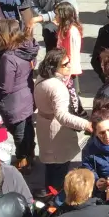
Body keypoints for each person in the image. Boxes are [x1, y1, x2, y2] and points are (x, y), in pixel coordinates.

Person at [34, 49, 91, 195]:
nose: (69, 66)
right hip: (56, 135)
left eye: (69, 62)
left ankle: (49, 194)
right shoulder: (57, 87)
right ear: (54, 67)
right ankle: (55, 199)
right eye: (65, 64)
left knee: (51, 167)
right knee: (59, 170)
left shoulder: (43, 76)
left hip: (45, 127)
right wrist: (86, 124)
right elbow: (62, 116)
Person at [0, 19, 38, 170]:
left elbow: (5, 86)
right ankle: (30, 154)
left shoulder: (8, 58)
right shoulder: (26, 49)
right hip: (27, 96)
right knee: (27, 128)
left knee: (19, 133)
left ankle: (23, 162)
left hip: (13, 102)